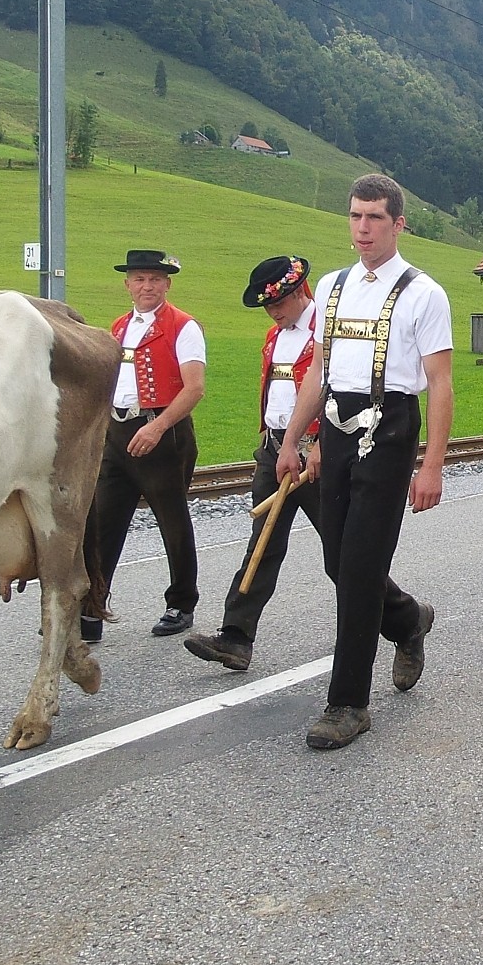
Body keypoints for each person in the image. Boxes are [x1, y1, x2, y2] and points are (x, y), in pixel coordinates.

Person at [276, 174, 452, 750]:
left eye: (375, 217)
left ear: (398, 223)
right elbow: (317, 372)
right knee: (338, 562)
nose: (363, 228)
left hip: (391, 429)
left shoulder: (424, 293)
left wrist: (431, 466)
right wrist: (294, 440)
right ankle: (405, 620)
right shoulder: (330, 287)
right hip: (336, 426)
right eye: (355, 216)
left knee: (356, 570)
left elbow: (441, 384)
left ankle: (348, 702)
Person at [184, 256, 422, 674]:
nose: (273, 312)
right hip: (277, 451)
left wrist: (317, 443)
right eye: (267, 306)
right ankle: (236, 636)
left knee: (343, 560)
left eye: (278, 303)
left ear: (300, 293)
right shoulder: (276, 337)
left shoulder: (327, 327)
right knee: (264, 540)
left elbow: (334, 388)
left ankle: (407, 621)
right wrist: (277, 442)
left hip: (322, 453)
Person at [87, 248, 206, 643]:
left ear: (167, 284)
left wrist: (158, 428)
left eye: (155, 279)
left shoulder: (183, 326)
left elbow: (194, 389)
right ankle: (92, 605)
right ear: (127, 285)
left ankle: (181, 602)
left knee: (171, 519)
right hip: (118, 431)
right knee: (104, 521)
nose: (147, 286)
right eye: (139, 279)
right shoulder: (119, 327)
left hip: (161, 429)